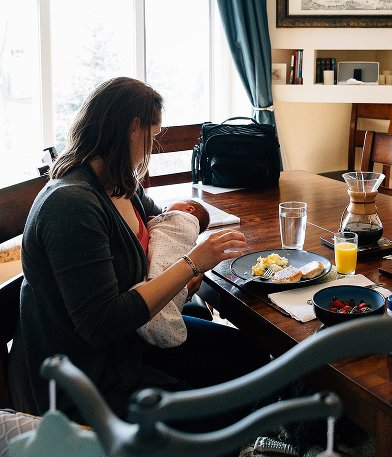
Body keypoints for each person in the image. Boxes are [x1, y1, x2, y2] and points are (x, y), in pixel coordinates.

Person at [9, 77, 271, 425]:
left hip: (132, 343)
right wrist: (193, 264)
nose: (151, 147)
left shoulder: (119, 184)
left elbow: (162, 223)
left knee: (248, 355)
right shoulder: (71, 205)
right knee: (219, 420)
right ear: (134, 127)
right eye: (153, 134)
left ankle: (251, 440)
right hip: (90, 377)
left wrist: (182, 261)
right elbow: (103, 324)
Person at [136, 199, 210, 348]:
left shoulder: (182, 221)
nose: (164, 210)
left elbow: (161, 217)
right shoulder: (86, 204)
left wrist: (192, 263)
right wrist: (190, 265)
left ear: (189, 210)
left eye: (166, 208)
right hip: (132, 326)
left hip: (146, 302)